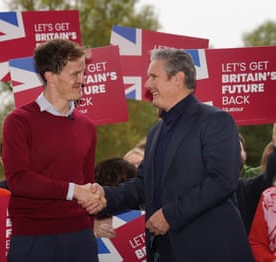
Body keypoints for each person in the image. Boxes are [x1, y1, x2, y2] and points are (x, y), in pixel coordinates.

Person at [95, 47, 253, 261]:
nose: (148, 84)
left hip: (209, 250)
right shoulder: (156, 132)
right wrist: (102, 196)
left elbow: (222, 181)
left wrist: (170, 215)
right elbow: (141, 185)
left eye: (153, 77)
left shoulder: (215, 121)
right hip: (165, 251)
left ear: (178, 78)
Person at [1, 39, 103, 262]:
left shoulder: (87, 126)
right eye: (75, 74)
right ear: (50, 76)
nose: (82, 80)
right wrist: (74, 191)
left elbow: (87, 180)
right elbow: (19, 179)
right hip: (33, 239)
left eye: (83, 73)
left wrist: (96, 198)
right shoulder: (18, 121)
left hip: (80, 238)